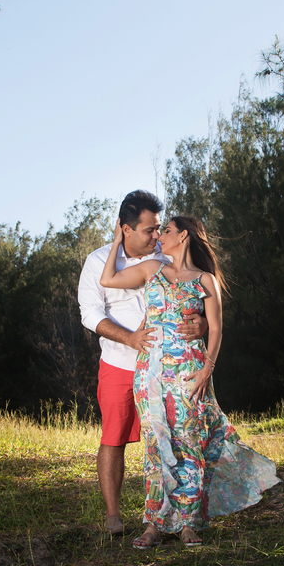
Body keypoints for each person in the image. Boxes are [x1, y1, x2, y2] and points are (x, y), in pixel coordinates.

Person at [99, 214, 280, 549]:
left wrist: (206, 370)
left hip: (189, 372)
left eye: (164, 231)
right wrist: (116, 239)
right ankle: (153, 524)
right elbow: (108, 279)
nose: (158, 236)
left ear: (182, 236)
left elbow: (216, 327)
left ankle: (187, 524)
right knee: (155, 448)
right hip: (150, 374)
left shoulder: (205, 280)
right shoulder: (151, 270)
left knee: (187, 445)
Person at [77, 191, 206, 536]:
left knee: (176, 437)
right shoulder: (98, 261)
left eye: (158, 229)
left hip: (167, 368)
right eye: (149, 230)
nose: (155, 236)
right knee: (114, 436)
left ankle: (180, 516)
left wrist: (202, 325)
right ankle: (113, 516)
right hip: (120, 364)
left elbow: (198, 301)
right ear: (125, 229)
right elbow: (90, 314)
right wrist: (130, 339)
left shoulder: (167, 257)